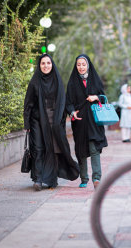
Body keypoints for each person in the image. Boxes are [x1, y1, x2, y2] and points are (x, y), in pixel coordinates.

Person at [23, 54, 79, 191]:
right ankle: (38, 179)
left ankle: (51, 179)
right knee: (38, 148)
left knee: (54, 149)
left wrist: (71, 113)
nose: (46, 66)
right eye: (43, 63)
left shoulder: (57, 80)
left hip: (54, 121)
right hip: (37, 120)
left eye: (48, 63)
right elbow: (28, 104)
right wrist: (27, 124)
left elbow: (63, 101)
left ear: (52, 64)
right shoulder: (35, 82)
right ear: (39, 65)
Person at [66, 54, 108, 189]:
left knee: (94, 148)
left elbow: (104, 98)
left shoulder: (95, 80)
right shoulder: (72, 82)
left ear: (88, 65)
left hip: (94, 120)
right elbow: (68, 102)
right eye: (78, 64)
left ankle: (97, 178)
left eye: (83, 64)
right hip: (79, 121)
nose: (81, 67)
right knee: (80, 150)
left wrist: (96, 97)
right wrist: (72, 112)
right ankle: (84, 178)